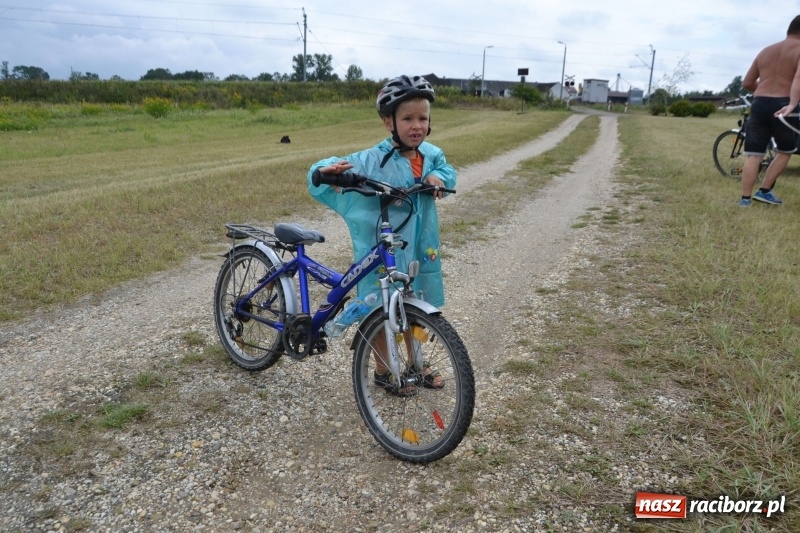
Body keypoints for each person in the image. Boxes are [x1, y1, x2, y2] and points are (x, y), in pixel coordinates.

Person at [307, 75, 455, 395]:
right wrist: (323, 171)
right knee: (378, 307)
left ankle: (417, 363)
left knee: (416, 306)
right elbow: (339, 164)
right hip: (384, 246)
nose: (416, 125)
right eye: (407, 118)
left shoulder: (431, 155)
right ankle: (383, 370)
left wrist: (437, 177)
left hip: (420, 247)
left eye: (423, 118)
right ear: (389, 122)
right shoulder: (375, 159)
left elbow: (447, 171)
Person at [739, 15, 800, 207]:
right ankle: (764, 190)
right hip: (784, 105)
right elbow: (799, 79)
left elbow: (747, 82)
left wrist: (766, 91)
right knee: (785, 151)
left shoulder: (765, 51)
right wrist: (792, 103)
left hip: (758, 104)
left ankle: (745, 200)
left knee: (754, 154)